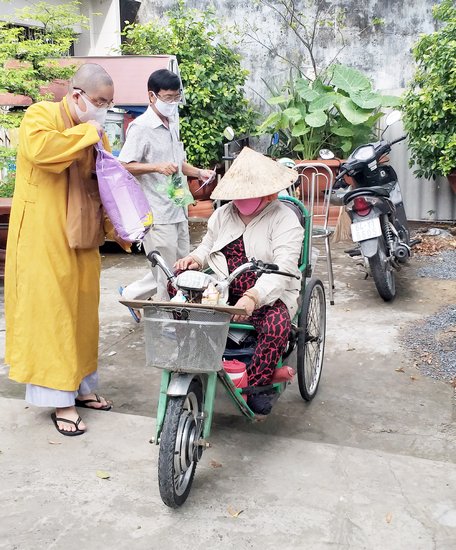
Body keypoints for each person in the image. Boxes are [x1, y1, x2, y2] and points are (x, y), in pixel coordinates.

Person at [5, 63, 115, 436]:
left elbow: (107, 183)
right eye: (98, 101)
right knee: (52, 315)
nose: (103, 109)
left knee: (84, 314)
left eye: (107, 104)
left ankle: (81, 388)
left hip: (82, 237)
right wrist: (86, 132)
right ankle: (59, 401)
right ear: (76, 94)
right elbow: (41, 152)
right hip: (43, 236)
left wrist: (122, 227)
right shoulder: (41, 116)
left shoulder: (97, 132)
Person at [174, 147, 304, 415]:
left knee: (277, 325)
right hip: (225, 289)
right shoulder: (223, 215)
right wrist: (194, 260)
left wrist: (254, 296)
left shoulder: (285, 219)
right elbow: (208, 245)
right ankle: (205, 365)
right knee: (181, 297)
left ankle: (256, 386)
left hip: (269, 295)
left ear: (268, 192)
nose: (242, 200)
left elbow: (283, 269)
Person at [118, 69, 215, 318]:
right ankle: (165, 324)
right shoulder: (141, 128)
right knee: (165, 275)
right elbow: (124, 166)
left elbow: (177, 161)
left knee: (183, 268)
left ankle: (132, 295)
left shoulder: (172, 123)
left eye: (176, 97)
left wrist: (198, 172)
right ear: (152, 96)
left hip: (177, 207)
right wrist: (155, 167)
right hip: (156, 212)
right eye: (168, 97)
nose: (173, 102)